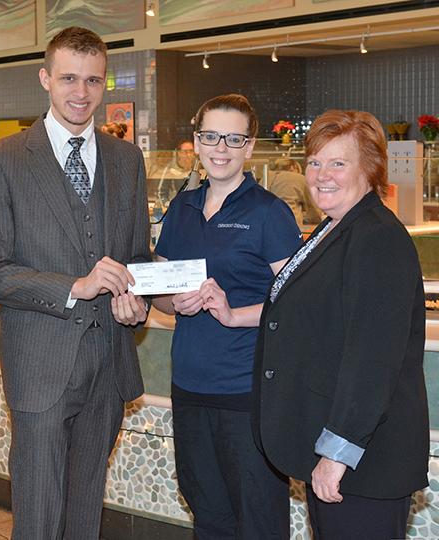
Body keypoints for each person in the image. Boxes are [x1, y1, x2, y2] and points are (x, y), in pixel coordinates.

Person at [0, 26, 151, 539]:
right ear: (45, 78)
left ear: (104, 84)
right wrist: (77, 284)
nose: (81, 92)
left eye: (93, 81)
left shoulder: (125, 160)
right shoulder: (3, 160)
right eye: (69, 78)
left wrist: (135, 297)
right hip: (41, 366)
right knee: (39, 511)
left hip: (110, 363)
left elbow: (137, 254)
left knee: (85, 508)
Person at [254, 109, 429, 539]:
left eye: (338, 163)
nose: (321, 175)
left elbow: (373, 360)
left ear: (369, 170)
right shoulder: (335, 227)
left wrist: (336, 455)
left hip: (364, 463)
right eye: (315, 162)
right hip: (340, 455)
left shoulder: (377, 237)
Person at [150, 94, 301, 539]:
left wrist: (235, 315)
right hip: (190, 389)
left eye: (234, 139)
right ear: (196, 142)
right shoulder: (183, 208)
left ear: (250, 147)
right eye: (211, 136)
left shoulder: (269, 212)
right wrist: (173, 302)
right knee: (208, 515)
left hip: (246, 393)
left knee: (257, 519)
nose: (221, 148)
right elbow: (158, 294)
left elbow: (297, 305)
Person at [266, 157, 322, 226]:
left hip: (263, 224)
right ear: (293, 167)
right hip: (289, 224)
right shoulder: (299, 178)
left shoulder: (266, 176)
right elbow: (313, 210)